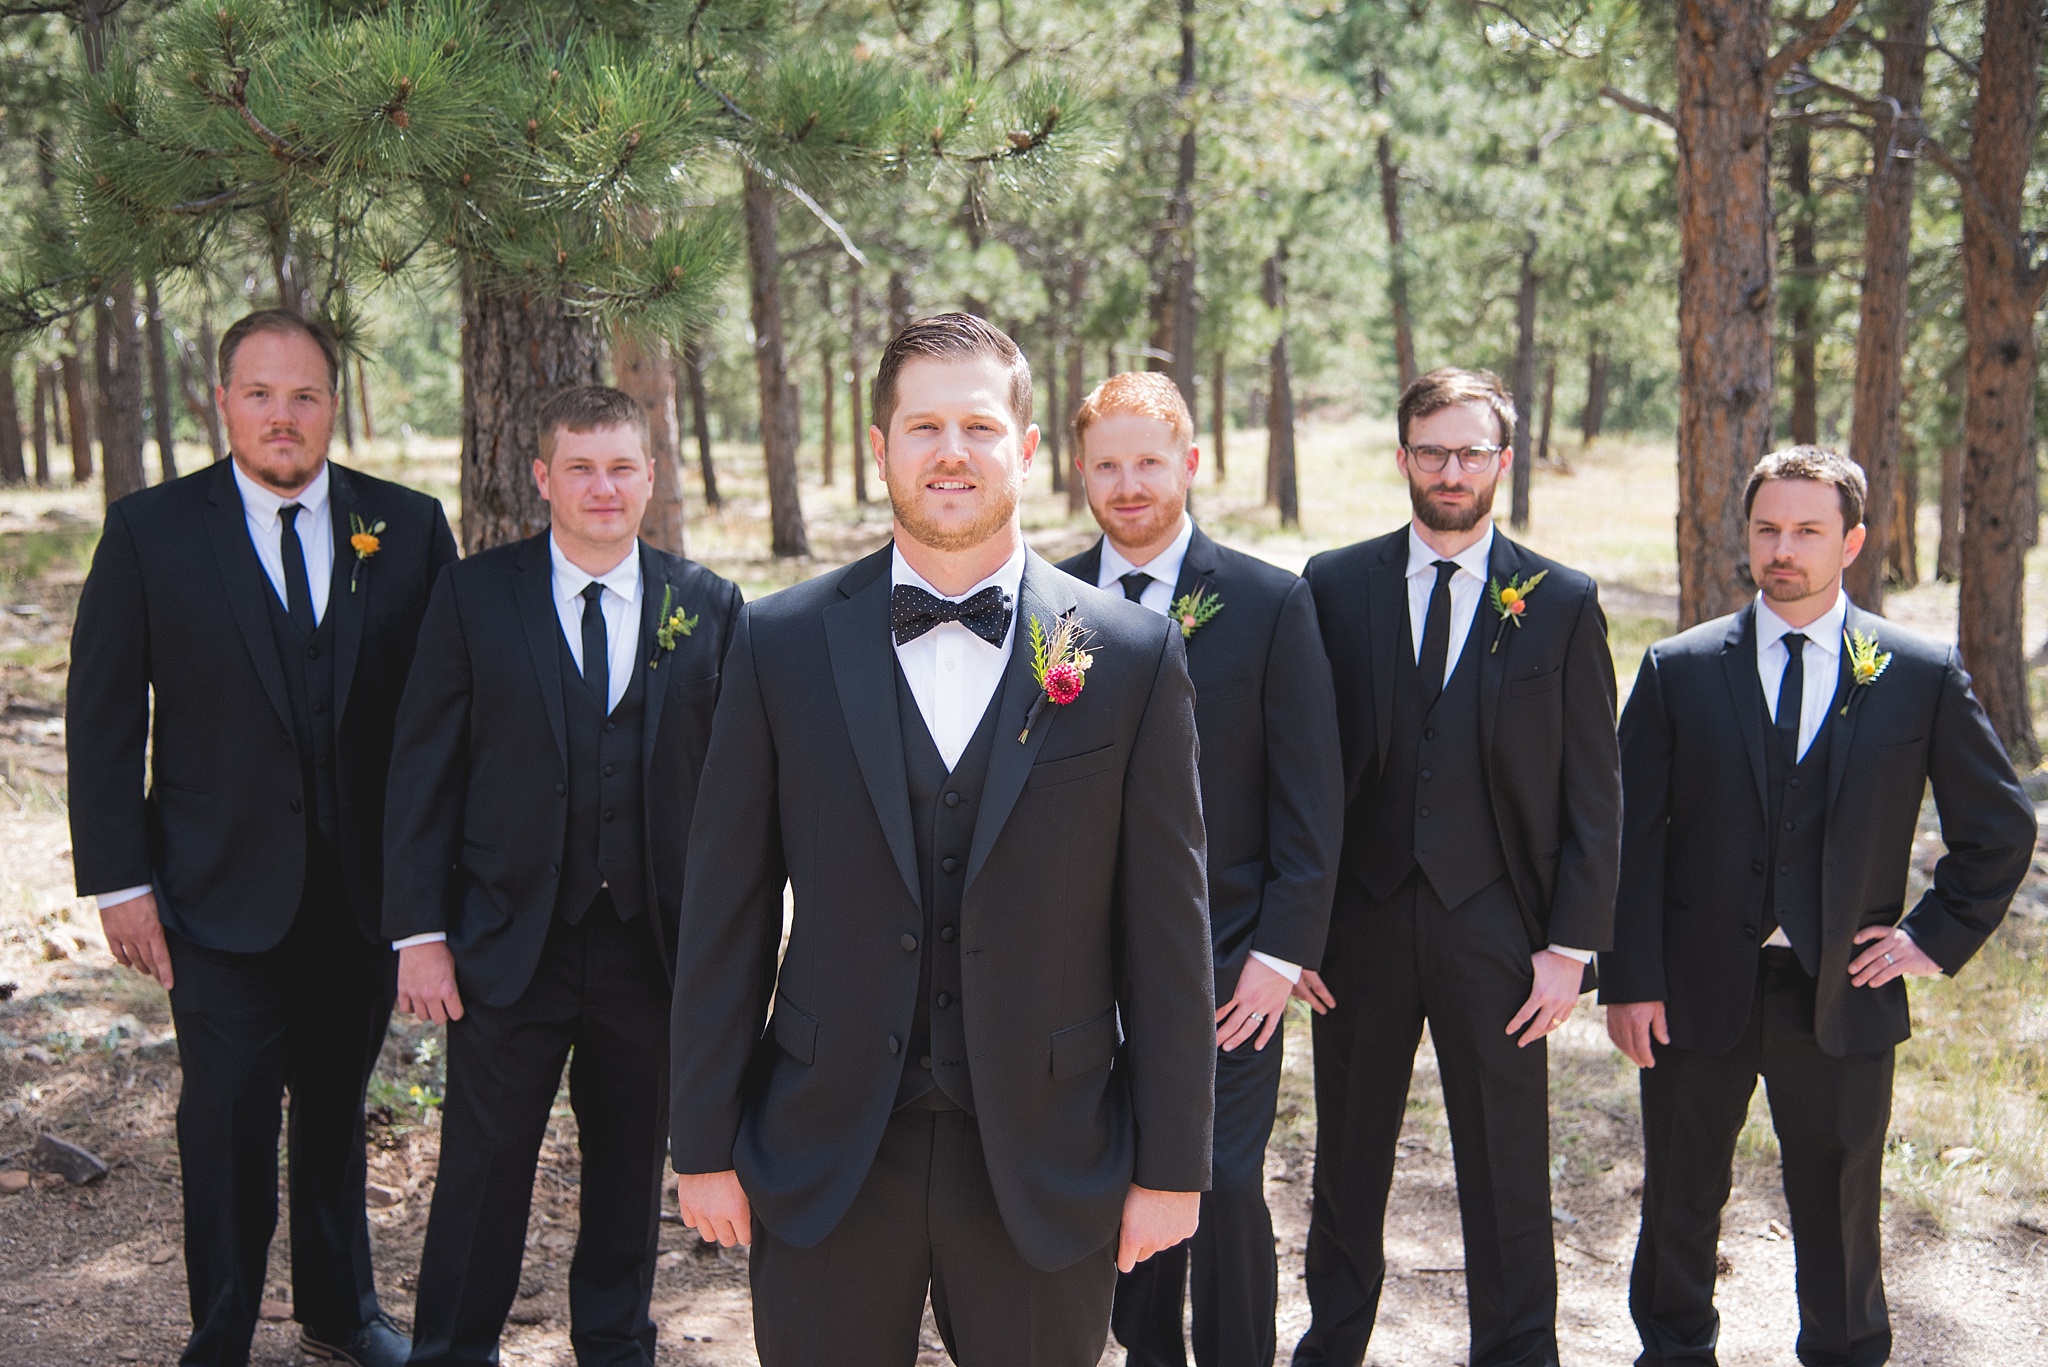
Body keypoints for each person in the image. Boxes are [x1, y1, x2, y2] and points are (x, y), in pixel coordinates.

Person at [668, 314, 1216, 1367]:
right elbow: (724, 909)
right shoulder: (778, 641)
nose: (951, 452)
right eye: (922, 427)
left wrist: (1171, 1163)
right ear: (880, 450)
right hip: (826, 1143)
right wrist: (701, 1140)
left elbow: (1167, 929)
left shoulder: (1132, 654)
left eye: (977, 424)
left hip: (1047, 1149)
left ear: (1025, 448)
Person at [66, 309, 457, 1367]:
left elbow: (438, 723)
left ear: (333, 404)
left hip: (363, 895)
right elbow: (104, 717)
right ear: (222, 401)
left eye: (304, 395)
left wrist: (430, 893)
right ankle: (223, 1327)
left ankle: (340, 1309)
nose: (282, 417)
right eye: (259, 394)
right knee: (227, 1117)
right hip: (212, 888)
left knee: (335, 1108)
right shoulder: (151, 530)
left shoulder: (408, 526)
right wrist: (117, 884)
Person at [1603, 447, 2034, 1367]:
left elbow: (1998, 827)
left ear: (1853, 543)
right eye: (1768, 529)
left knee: (1841, 1206)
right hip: (1692, 989)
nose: (1783, 549)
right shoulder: (1678, 668)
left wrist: (1929, 935)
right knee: (1678, 1195)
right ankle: (1673, 1354)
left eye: (1807, 531)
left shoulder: (1916, 670)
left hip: (1842, 990)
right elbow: (1626, 838)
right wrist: (1629, 979)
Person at [381, 385, 743, 1367]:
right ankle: (451, 1347)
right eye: (578, 467)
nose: (601, 487)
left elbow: (734, 796)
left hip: (648, 947)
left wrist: (728, 955)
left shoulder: (705, 604)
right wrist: (417, 930)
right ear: (541, 476)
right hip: (506, 942)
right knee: (482, 1169)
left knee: (629, 1173)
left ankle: (616, 1343)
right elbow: (423, 768)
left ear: (650, 477)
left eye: (621, 466)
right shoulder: (474, 594)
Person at [1292, 367, 1621, 1367]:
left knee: (1506, 1162)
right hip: (1356, 926)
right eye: (1429, 450)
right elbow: (1298, 771)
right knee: (1346, 1161)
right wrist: (1293, 931)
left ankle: (1518, 1351)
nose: (1448, 469)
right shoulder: (1331, 584)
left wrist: (1569, 946)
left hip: (1499, 931)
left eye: (1468, 451)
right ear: (1401, 458)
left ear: (1501, 462)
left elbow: (1591, 789)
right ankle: (1332, 1343)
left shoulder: (1559, 601)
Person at [1056, 371, 1342, 1367]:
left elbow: (1312, 797)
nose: (1127, 484)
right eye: (1105, 464)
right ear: (1079, 472)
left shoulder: (1268, 601)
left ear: (1186, 461)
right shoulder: (1044, 599)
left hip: (1228, 957)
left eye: (1146, 460)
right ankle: (1144, 1348)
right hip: (1081, 959)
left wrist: (1281, 948)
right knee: (1122, 1166)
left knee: (1219, 1174)